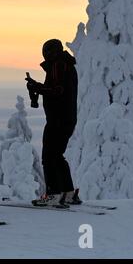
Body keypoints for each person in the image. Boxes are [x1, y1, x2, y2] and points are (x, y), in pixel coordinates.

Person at [25, 39, 82, 207]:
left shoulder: (58, 65)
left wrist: (38, 89)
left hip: (57, 119)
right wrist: (38, 87)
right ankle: (67, 193)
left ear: (50, 52)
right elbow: (58, 89)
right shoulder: (65, 65)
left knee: (49, 157)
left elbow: (57, 91)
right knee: (57, 156)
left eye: (46, 52)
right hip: (67, 119)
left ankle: (53, 194)